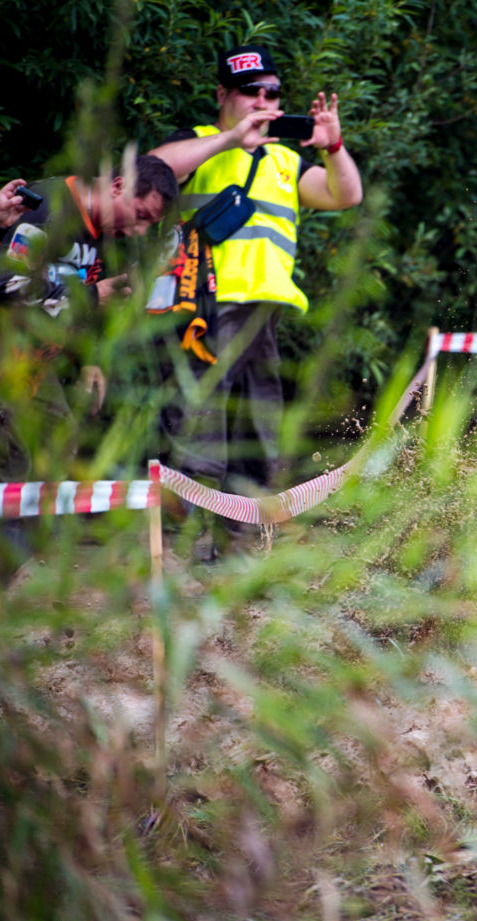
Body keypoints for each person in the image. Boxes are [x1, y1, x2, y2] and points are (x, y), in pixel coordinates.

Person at [148, 44, 363, 556]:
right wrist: (230, 139)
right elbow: (153, 168)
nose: (263, 102)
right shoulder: (199, 143)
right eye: (251, 92)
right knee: (197, 433)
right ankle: (183, 552)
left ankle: (240, 553)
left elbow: (346, 195)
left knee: (257, 438)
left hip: (263, 315)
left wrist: (333, 147)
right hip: (202, 311)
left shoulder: (285, 159)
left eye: (272, 93)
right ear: (223, 95)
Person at [0, 155, 180, 483]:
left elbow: (80, 300)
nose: (138, 230)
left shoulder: (107, 232)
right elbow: (2, 282)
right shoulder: (51, 208)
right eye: (140, 215)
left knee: (60, 444)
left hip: (35, 363)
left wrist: (89, 359)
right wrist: (91, 296)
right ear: (118, 187)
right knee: (4, 461)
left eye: (148, 224)